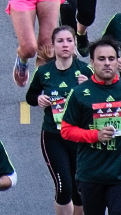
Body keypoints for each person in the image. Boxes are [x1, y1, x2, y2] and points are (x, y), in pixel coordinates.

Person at [25, 27, 90, 215]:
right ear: (53, 46)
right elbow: (30, 96)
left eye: (69, 40)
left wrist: (87, 87)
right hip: (54, 136)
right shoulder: (44, 72)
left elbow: (99, 100)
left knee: (79, 189)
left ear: (75, 44)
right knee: (64, 189)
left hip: (79, 137)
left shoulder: (85, 70)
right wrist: (38, 99)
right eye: (60, 41)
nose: (65, 45)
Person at [58, 37, 121, 215]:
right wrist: (96, 135)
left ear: (118, 61)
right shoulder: (79, 94)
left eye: (111, 58)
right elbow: (66, 130)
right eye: (101, 59)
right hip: (91, 175)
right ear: (92, 63)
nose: (107, 63)